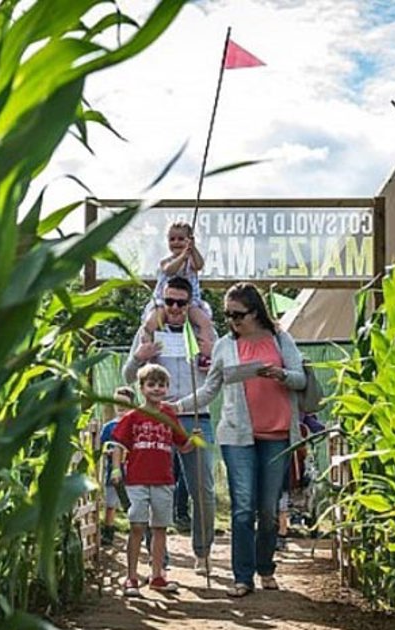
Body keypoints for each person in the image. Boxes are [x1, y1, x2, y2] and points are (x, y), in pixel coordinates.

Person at [174, 282, 307, 597]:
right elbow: (210, 389)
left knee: (268, 509)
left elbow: (301, 378)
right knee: (243, 508)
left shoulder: (280, 339)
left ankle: (265, 568)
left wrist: (280, 374)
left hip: (277, 434)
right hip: (237, 435)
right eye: (227, 315)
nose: (232, 320)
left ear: (256, 311)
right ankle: (242, 576)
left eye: (238, 314)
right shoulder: (224, 345)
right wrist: (177, 406)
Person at [122, 276, 217, 576]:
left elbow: (216, 377)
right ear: (161, 302)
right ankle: (157, 561)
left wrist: (207, 358)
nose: (174, 308)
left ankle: (202, 552)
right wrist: (140, 358)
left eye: (181, 302)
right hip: (156, 418)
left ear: (191, 304)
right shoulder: (149, 330)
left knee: (202, 488)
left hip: (194, 416)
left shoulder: (203, 331)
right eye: (169, 301)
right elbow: (127, 376)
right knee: (153, 487)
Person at [110, 364, 196, 597]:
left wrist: (194, 440)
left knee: (160, 528)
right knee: (137, 526)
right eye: (152, 384)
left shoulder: (169, 415)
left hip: (164, 480)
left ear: (167, 388)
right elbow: (118, 445)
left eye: (161, 385)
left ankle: (157, 575)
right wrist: (117, 469)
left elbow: (183, 445)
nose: (157, 389)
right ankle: (131, 577)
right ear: (142, 388)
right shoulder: (132, 416)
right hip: (137, 480)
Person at [140, 222, 214, 365]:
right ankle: (147, 352)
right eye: (172, 239)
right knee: (150, 323)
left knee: (204, 322)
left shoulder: (191, 261)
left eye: (181, 239)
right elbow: (170, 270)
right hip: (164, 302)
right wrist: (182, 257)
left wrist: (192, 250)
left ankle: (205, 355)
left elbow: (199, 265)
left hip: (190, 302)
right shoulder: (166, 261)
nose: (176, 242)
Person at [99, 386, 137, 546]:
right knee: (110, 504)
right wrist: (108, 451)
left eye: (125, 403)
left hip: (132, 474)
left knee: (133, 505)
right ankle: (108, 531)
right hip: (112, 473)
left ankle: (136, 532)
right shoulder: (109, 427)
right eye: (117, 402)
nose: (120, 406)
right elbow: (101, 446)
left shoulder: (135, 424)